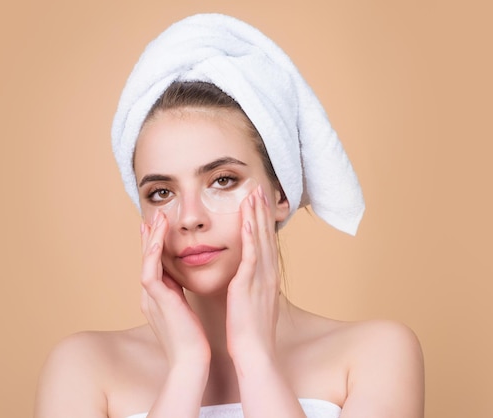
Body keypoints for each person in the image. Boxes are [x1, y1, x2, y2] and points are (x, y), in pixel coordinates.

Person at [35, 14, 424, 418]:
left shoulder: (375, 355)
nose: (189, 217)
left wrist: (256, 358)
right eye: (161, 192)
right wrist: (186, 367)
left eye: (222, 180)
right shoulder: (83, 369)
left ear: (280, 194)